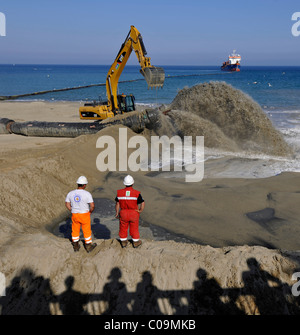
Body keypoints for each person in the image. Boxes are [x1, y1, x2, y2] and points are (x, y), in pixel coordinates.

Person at [65, 176, 97, 253]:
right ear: (84, 185)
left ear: (78, 184)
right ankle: (88, 246)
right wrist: (90, 212)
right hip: (84, 214)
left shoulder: (71, 193)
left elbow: (67, 203)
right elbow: (92, 206)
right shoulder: (87, 194)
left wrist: (71, 210)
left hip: (75, 214)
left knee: (75, 230)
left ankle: (76, 246)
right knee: (86, 230)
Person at [115, 175, 145, 248]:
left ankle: (123, 242)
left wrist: (117, 213)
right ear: (132, 183)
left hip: (123, 213)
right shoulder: (136, 193)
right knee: (134, 228)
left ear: (124, 183)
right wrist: (140, 210)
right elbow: (142, 202)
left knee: (123, 227)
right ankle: (135, 242)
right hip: (133, 213)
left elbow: (117, 203)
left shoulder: (119, 193)